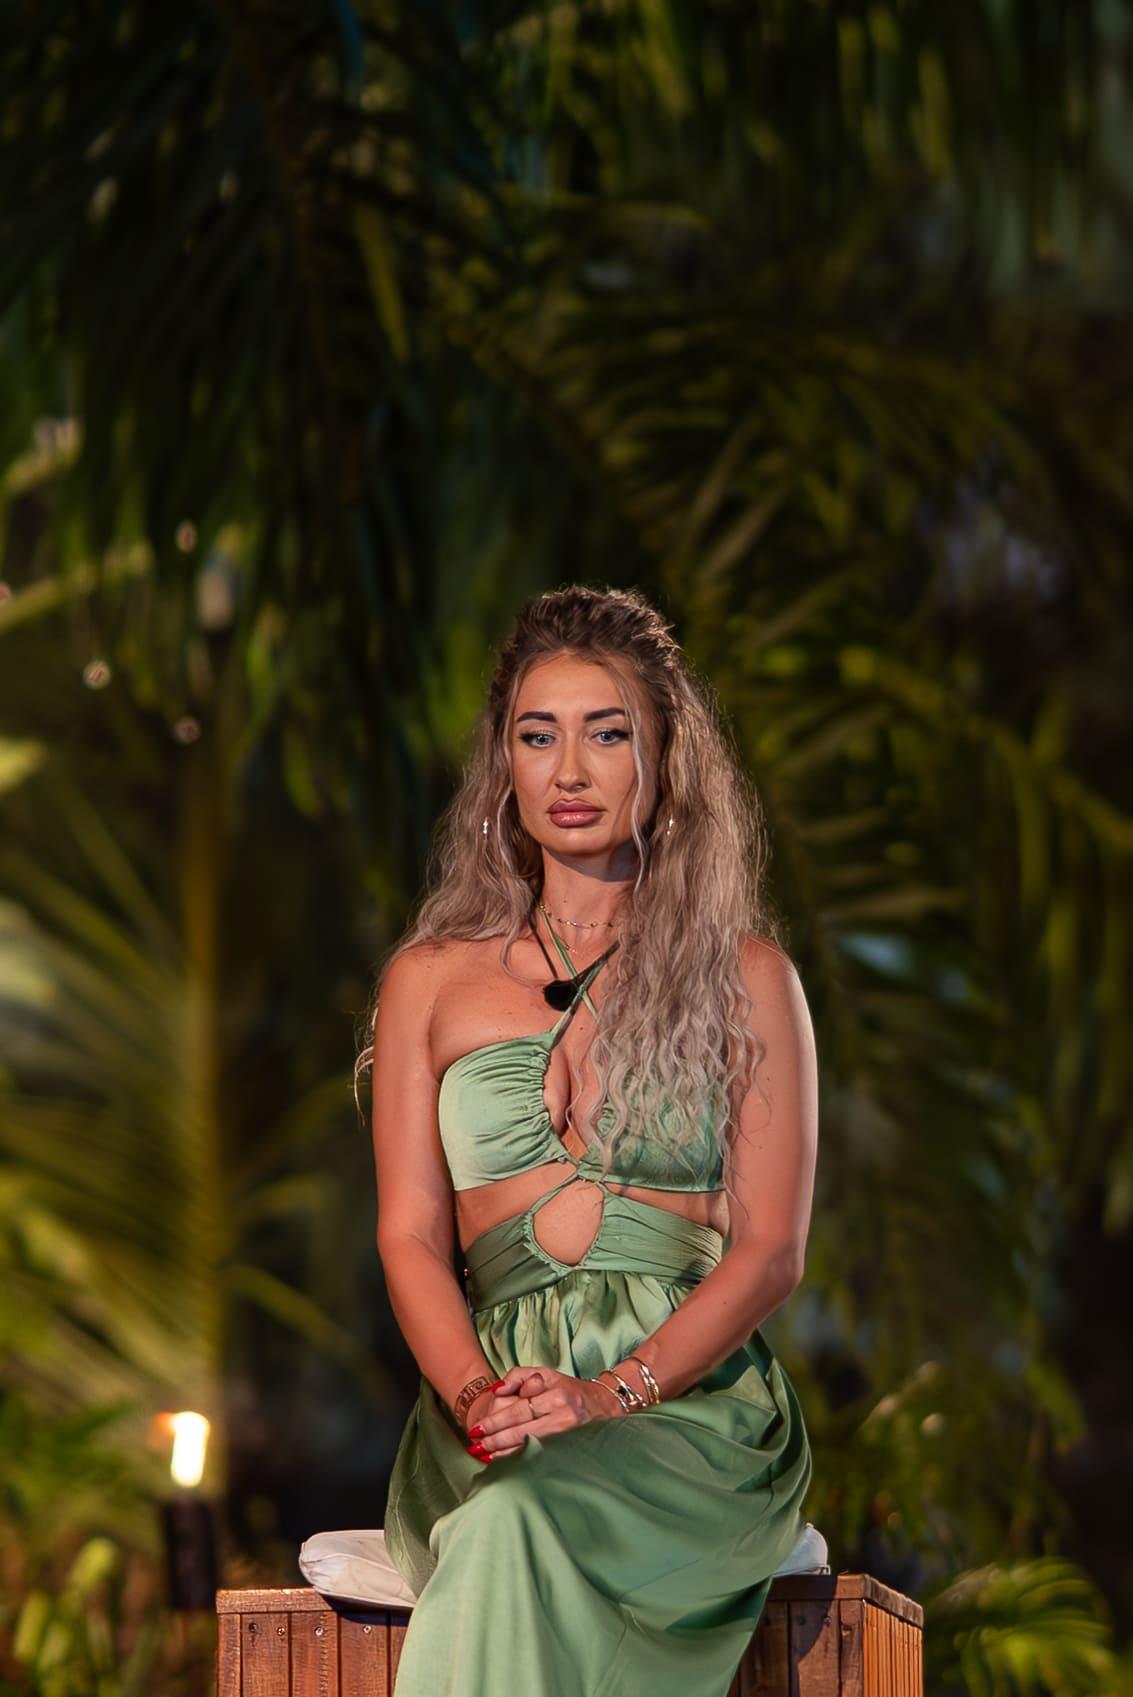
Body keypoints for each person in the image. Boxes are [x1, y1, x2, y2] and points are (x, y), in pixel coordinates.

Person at [359, 585, 818, 1696]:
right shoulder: (427, 979)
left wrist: (613, 1391)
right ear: (501, 766)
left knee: (514, 1522)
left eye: (605, 734)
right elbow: (410, 1235)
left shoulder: (748, 977)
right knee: (505, 1498)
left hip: (686, 1413)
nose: (568, 770)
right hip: (491, 1399)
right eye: (537, 735)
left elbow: (769, 1250)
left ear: (663, 760)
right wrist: (477, 1397)